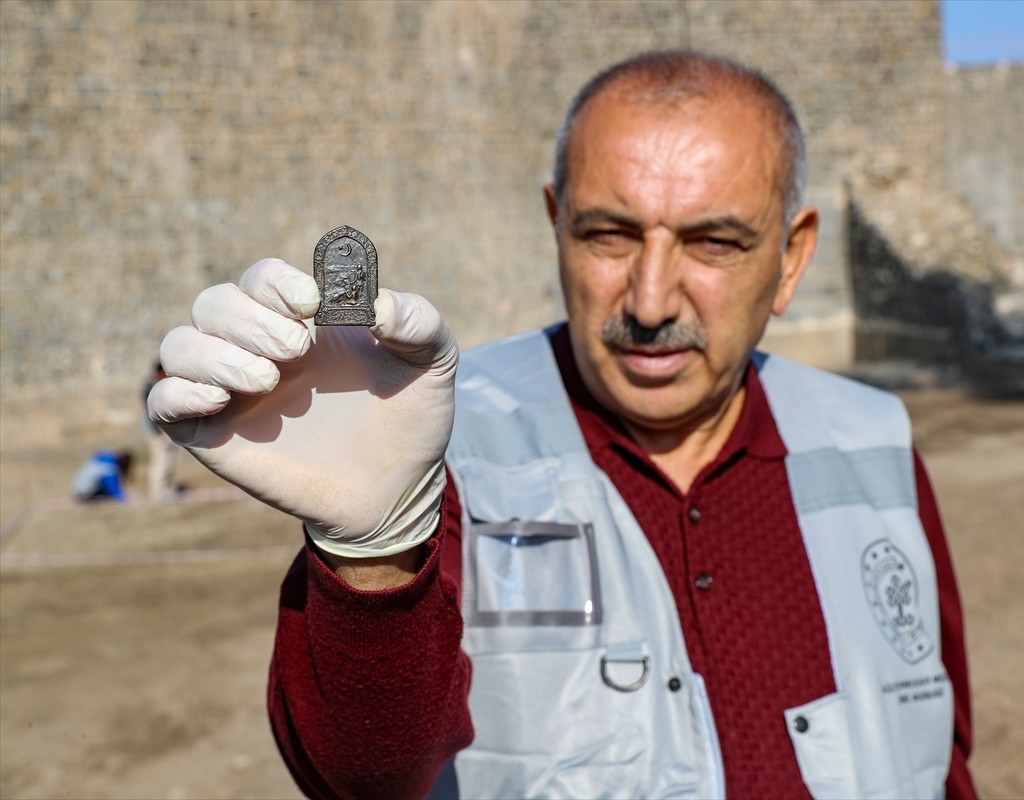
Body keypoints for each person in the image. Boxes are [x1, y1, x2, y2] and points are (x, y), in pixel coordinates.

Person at [149, 51, 976, 799]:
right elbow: (363, 776)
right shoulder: (432, 443)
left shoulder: (877, 440)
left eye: (713, 242)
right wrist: (373, 555)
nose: (651, 302)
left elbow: (943, 759)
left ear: (792, 258)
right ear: (556, 224)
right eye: (609, 235)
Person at [142, 361, 180, 500]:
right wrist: (158, 432)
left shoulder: (157, 385)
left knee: (168, 459)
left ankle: (167, 487)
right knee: (160, 459)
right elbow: (150, 411)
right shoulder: (150, 387)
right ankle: (157, 491)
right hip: (156, 430)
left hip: (164, 429)